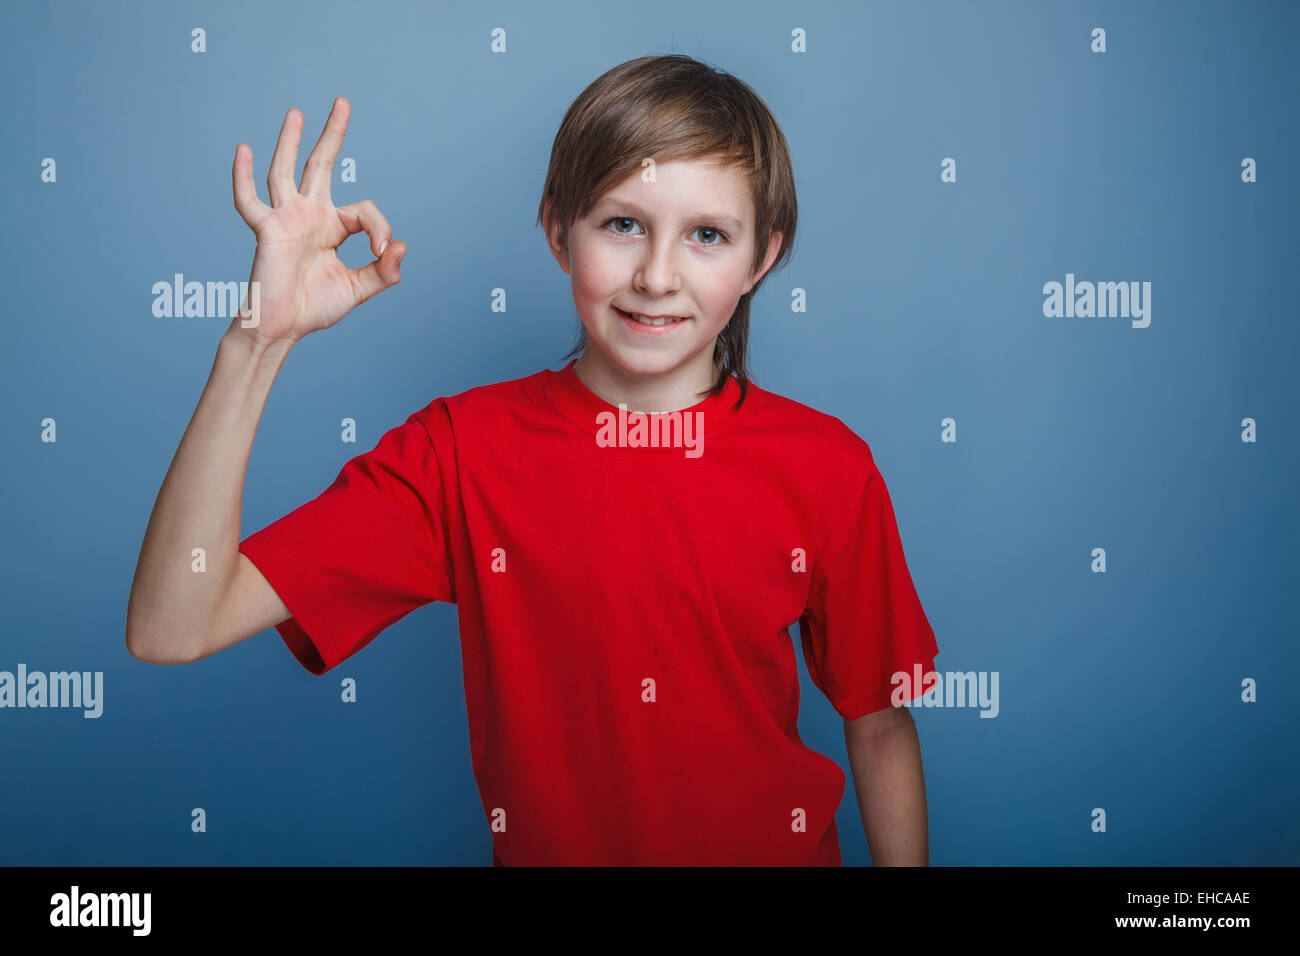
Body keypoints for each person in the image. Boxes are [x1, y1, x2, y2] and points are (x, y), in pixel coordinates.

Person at [125, 54, 939, 866]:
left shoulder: (826, 467)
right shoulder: (460, 452)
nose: (657, 277)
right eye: (623, 224)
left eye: (707, 236)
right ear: (558, 232)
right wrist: (257, 343)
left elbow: (879, 724)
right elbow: (173, 626)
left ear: (761, 259)